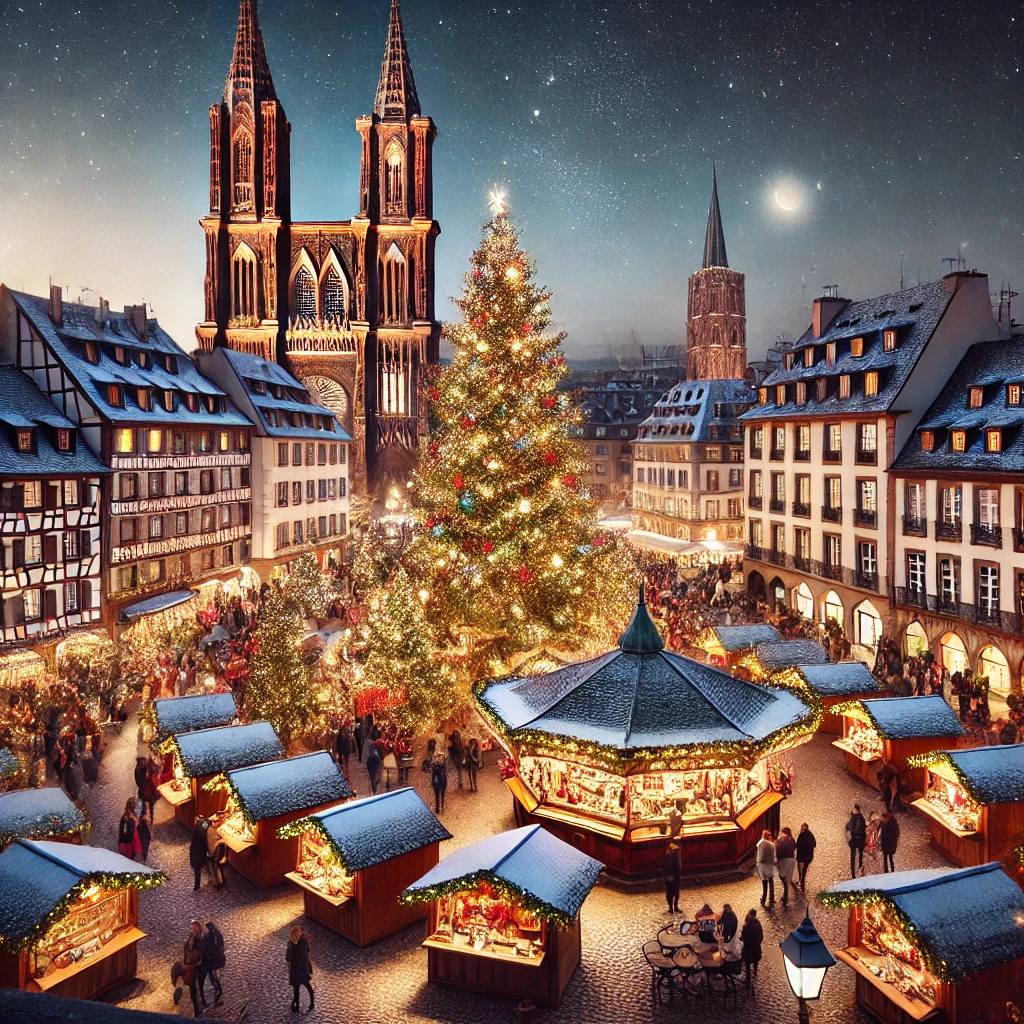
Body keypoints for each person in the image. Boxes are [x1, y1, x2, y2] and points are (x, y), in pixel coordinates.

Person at [286, 925, 314, 1013]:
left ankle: (297, 1005)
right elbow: (308, 949)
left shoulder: (291, 941)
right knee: (307, 984)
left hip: (294, 966)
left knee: (296, 987)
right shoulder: (304, 939)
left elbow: (288, 957)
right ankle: (312, 1003)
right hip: (303, 965)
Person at [181, 920, 205, 1017]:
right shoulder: (191, 938)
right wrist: (185, 964)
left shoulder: (200, 940)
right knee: (192, 987)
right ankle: (196, 1008)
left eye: (196, 927)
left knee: (199, 985)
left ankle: (201, 1002)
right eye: (193, 927)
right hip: (190, 966)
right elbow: (186, 951)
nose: (194, 929)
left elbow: (202, 954)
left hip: (197, 966)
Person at [200, 921, 225, 1008]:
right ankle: (218, 997)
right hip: (220, 962)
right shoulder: (218, 934)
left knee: (211, 981)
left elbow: (203, 950)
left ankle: (214, 1000)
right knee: (215, 979)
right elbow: (222, 946)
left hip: (212, 963)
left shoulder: (207, 937)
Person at [740, 909, 763, 991]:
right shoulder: (758, 924)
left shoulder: (746, 926)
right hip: (756, 948)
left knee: (747, 965)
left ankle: (748, 980)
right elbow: (761, 937)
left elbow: (743, 937)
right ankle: (755, 973)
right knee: (755, 961)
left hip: (748, 949)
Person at [775, 826, 797, 907]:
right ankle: (786, 893)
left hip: (783, 860)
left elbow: (778, 851)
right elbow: (795, 847)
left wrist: (778, 860)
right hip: (791, 860)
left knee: (782, 876)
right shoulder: (792, 839)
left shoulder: (779, 840)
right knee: (787, 877)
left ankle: (785, 894)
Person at [755, 829, 775, 907]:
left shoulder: (759, 843)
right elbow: (773, 856)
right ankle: (771, 899)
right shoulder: (771, 845)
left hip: (761, 866)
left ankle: (763, 899)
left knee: (764, 884)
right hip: (769, 866)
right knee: (771, 882)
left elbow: (758, 855)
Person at [846, 802, 867, 878]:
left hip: (855, 840)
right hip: (861, 839)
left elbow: (852, 826)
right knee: (860, 854)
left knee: (853, 857)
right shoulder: (861, 817)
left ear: (856, 810)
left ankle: (853, 874)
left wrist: (852, 832)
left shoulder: (855, 818)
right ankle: (860, 867)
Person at [795, 822, 816, 892]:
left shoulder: (801, 835)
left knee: (799, 867)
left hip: (801, 854)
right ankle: (802, 879)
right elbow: (814, 844)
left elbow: (797, 844)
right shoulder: (811, 835)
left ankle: (800, 878)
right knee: (805, 867)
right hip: (808, 855)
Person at [190, 819, 210, 891]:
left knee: (197, 868)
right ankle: (197, 885)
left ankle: (197, 886)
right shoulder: (203, 828)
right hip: (200, 851)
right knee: (200, 866)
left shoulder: (197, 829)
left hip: (195, 850)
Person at [661, 841, 681, 913]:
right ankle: (673, 907)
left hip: (669, 878)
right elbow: (674, 868)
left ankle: (672, 908)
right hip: (673, 878)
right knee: (674, 893)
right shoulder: (672, 856)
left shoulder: (666, 856)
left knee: (671, 894)